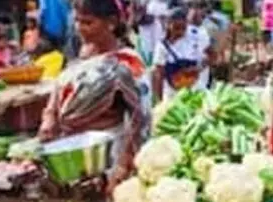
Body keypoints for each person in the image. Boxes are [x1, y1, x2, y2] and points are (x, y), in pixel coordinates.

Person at [38, 0, 147, 190]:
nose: (81, 29)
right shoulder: (80, 54)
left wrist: (125, 162)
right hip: (70, 150)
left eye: (88, 23)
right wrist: (49, 118)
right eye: (78, 22)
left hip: (107, 152)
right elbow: (60, 86)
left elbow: (141, 116)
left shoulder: (126, 62)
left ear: (111, 23)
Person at [151, 5, 210, 100]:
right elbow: (158, 74)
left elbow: (210, 56)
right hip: (172, 95)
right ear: (169, 25)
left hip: (195, 92)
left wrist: (198, 68)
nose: (180, 32)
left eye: (183, 28)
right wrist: (159, 100)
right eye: (176, 28)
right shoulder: (162, 46)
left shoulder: (195, 38)